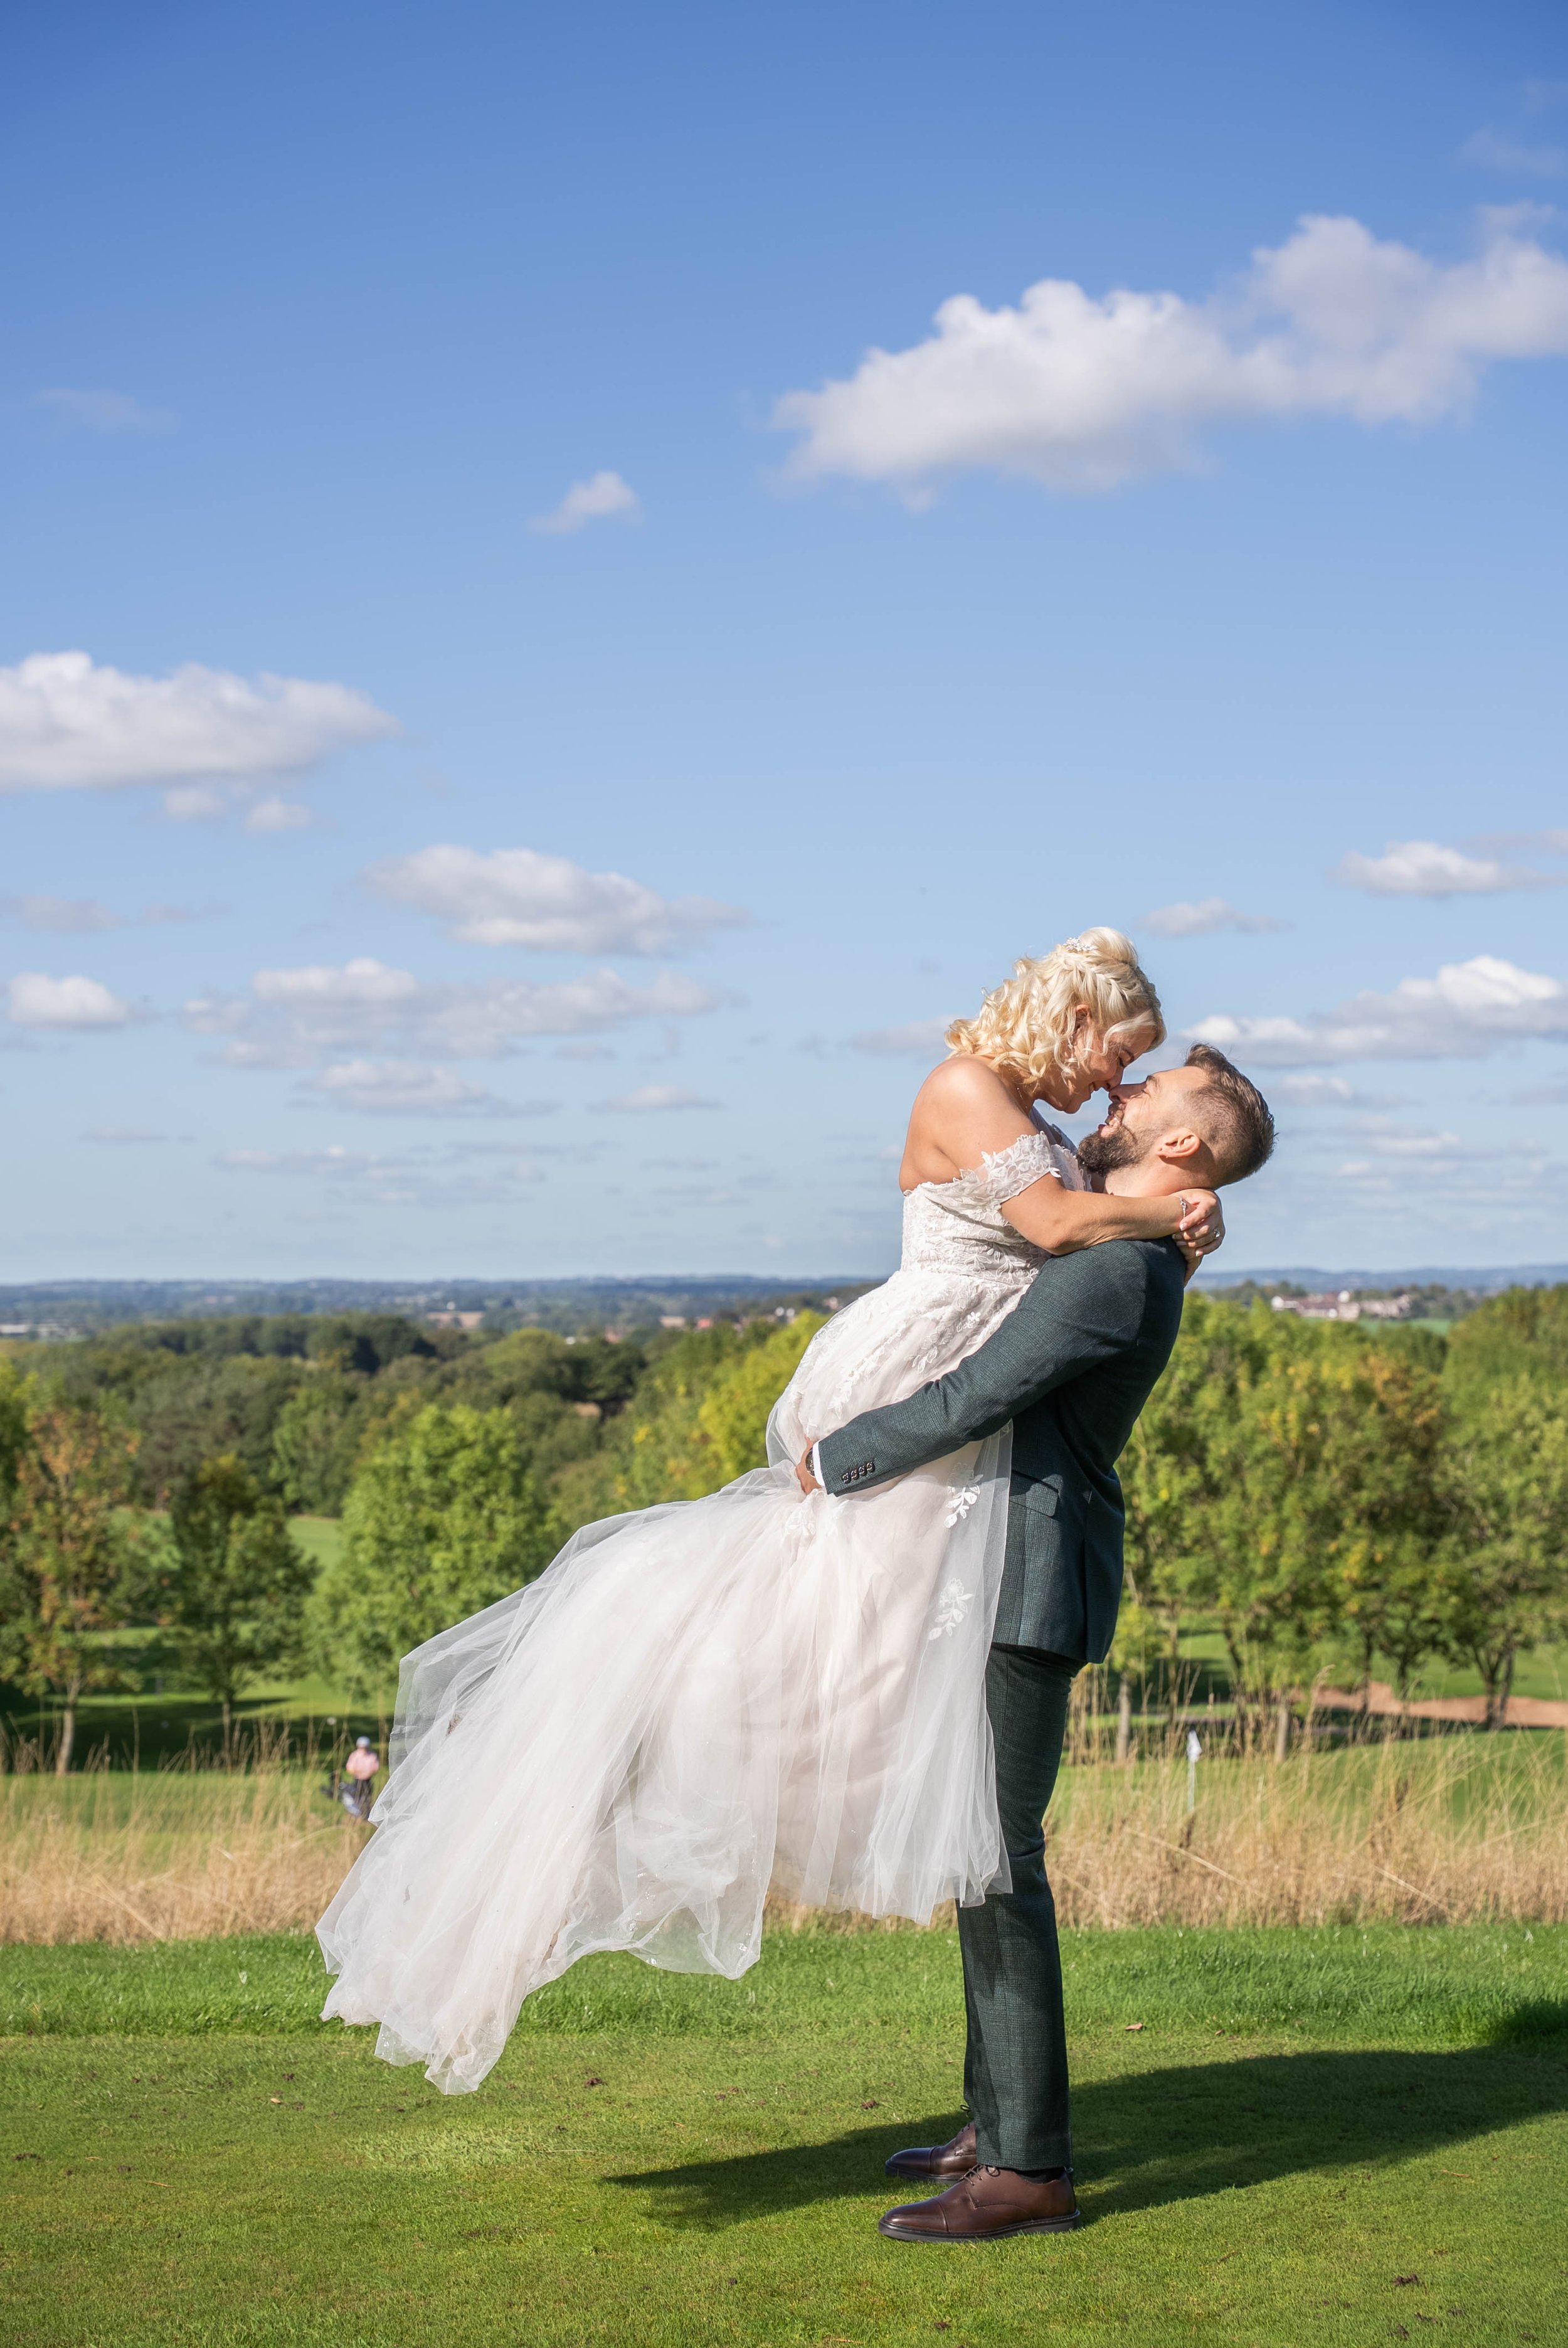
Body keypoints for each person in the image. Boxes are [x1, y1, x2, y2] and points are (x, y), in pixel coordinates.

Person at [314, 931, 1256, 2108]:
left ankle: (999, 2126)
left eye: (1140, 1078)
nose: (1114, 1084)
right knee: (746, 1643)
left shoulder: (1059, 1139)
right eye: (1116, 1056)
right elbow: (1065, 1233)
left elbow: (1085, 1272)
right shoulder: (973, 1092)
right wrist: (1178, 1211)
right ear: (1068, 1020)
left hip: (955, 1445)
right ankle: (575, 1796)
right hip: (912, 1397)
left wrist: (1185, 1218)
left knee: (856, 1710)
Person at [797, 1044, 1276, 2242]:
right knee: (979, 1853)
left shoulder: (1120, 1268)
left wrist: (836, 1460)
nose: (1117, 1097)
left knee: (1001, 1861)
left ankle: (1029, 2172)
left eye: (1143, 1095)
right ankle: (992, 2122)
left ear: (1181, 1145)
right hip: (1000, 1572)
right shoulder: (1136, 1238)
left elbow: (979, 1392)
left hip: (1026, 1582)